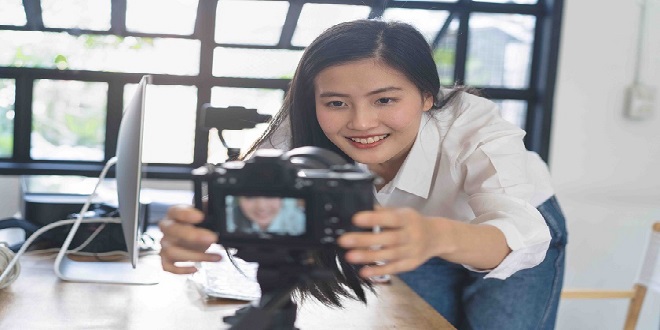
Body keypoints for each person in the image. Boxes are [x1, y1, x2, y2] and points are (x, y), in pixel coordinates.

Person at [159, 19, 567, 329]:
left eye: (385, 99)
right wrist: (198, 228)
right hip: (408, 236)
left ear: (428, 95)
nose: (362, 123)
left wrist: (435, 236)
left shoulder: (474, 129)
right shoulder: (301, 129)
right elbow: (247, 200)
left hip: (506, 232)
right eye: (336, 103)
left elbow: (522, 233)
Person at [228, 196, 305, 235]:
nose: (262, 207)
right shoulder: (230, 218)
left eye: (270, 196)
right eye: (250, 197)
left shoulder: (299, 222)